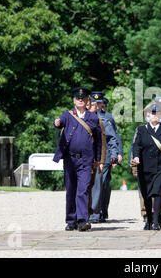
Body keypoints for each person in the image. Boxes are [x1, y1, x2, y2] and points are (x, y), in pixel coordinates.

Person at [53, 87, 102, 231]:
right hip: (70, 159)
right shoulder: (68, 115)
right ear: (74, 100)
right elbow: (59, 122)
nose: (80, 100)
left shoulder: (93, 118)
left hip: (86, 160)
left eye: (83, 98)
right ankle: (71, 220)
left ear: (87, 100)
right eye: (77, 98)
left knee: (83, 189)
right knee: (71, 190)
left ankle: (82, 220)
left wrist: (98, 160)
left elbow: (98, 141)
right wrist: (56, 123)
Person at [132, 104, 161, 230]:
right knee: (146, 194)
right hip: (144, 166)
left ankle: (156, 221)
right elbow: (136, 146)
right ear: (147, 116)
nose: (155, 116)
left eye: (158, 113)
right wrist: (136, 157)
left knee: (158, 192)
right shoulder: (141, 130)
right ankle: (149, 220)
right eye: (153, 113)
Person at [88, 91, 119, 223]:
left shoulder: (106, 119)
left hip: (102, 157)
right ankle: (87, 211)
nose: (97, 105)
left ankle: (96, 213)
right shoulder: (81, 117)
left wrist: (115, 154)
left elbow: (114, 138)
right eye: (94, 103)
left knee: (99, 185)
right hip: (86, 156)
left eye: (98, 103)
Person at [98, 95, 123, 220]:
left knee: (103, 183)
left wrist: (118, 153)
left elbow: (115, 136)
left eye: (103, 105)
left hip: (106, 154)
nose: (102, 107)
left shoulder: (108, 117)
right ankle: (94, 211)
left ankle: (102, 210)